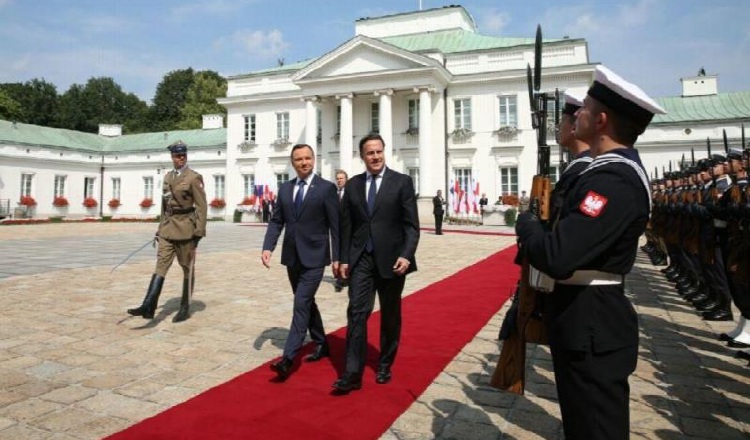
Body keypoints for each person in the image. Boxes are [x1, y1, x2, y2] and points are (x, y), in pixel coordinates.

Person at [515, 65, 666, 439]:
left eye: (583, 108)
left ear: (600, 120)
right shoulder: (605, 173)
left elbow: (558, 254)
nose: (575, 114)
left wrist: (527, 224)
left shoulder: (613, 179)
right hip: (583, 319)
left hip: (592, 323)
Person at [333, 133, 420, 393]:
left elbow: (412, 226)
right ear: (362, 157)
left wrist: (406, 254)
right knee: (357, 313)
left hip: (393, 261)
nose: (375, 157)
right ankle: (352, 373)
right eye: (370, 153)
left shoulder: (401, 182)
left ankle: (384, 363)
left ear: (385, 152)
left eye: (379, 151)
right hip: (361, 260)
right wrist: (344, 258)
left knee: (390, 315)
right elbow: (346, 225)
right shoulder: (354, 185)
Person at [261, 144, 339, 380]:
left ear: (314, 160)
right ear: (292, 163)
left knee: (301, 303)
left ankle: (287, 359)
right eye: (298, 159)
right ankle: (321, 342)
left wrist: (338, 258)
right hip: (292, 256)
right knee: (307, 302)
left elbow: (336, 226)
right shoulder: (285, 189)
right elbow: (277, 221)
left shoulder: (326, 189)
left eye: (307, 158)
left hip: (316, 256)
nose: (303, 162)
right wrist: (268, 246)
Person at [127, 140, 207, 323]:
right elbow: (165, 206)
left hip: (186, 229)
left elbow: (202, 207)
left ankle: (185, 307)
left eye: (184, 155)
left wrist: (198, 233)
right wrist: (160, 227)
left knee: (187, 268)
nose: (181, 158)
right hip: (168, 229)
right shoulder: (168, 178)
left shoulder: (194, 178)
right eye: (178, 155)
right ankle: (148, 305)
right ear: (172, 157)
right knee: (161, 265)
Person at [334, 169, 349, 293]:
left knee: (346, 252)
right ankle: (340, 277)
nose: (339, 180)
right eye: (337, 179)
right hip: (336, 229)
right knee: (337, 252)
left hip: (348, 228)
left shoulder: (350, 193)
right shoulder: (334, 194)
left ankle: (345, 276)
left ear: (346, 180)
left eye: (341, 178)